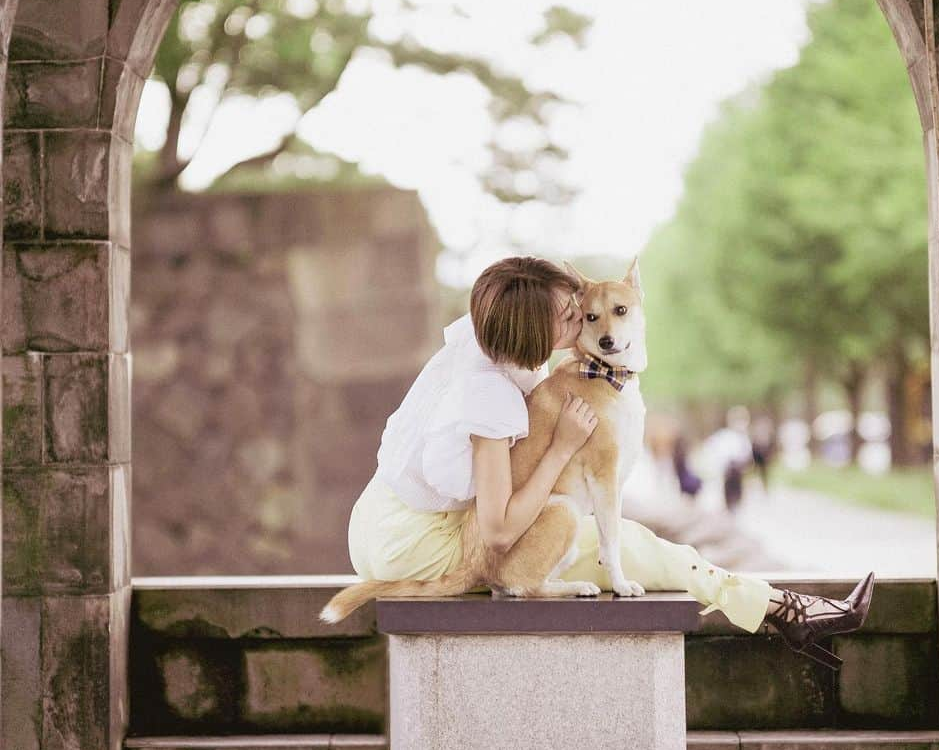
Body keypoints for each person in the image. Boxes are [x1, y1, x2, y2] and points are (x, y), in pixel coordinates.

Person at [346, 255, 872, 659]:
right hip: (415, 545)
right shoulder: (489, 394)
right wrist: (562, 446)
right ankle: (781, 608)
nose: (586, 322)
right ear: (532, 330)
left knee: (623, 540)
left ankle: (775, 605)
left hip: (376, 521)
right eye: (571, 316)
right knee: (632, 547)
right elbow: (499, 529)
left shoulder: (482, 343)